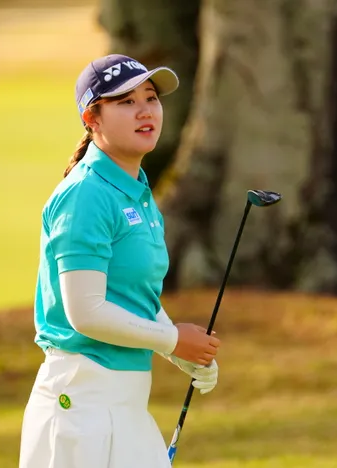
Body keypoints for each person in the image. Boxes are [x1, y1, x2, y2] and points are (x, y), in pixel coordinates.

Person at [18, 54, 221, 468]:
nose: (145, 110)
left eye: (150, 98)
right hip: (78, 407)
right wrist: (171, 340)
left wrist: (179, 353)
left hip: (125, 406)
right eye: (126, 102)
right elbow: (85, 312)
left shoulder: (137, 192)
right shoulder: (86, 194)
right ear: (91, 118)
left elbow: (133, 296)